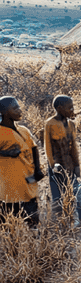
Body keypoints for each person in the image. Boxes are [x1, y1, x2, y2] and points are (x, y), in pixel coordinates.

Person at [0, 96, 44, 225]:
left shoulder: (23, 130)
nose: (20, 110)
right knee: (9, 223)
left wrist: (37, 169)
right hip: (9, 187)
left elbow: (34, 148)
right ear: (4, 112)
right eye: (15, 108)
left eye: (19, 107)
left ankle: (34, 241)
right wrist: (6, 153)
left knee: (33, 220)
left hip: (27, 181)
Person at [44, 95, 81, 219]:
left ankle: (71, 217)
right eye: (69, 108)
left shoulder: (71, 124)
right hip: (56, 164)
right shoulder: (50, 123)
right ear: (59, 108)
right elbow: (48, 147)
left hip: (69, 163)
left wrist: (77, 165)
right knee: (57, 193)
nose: (72, 110)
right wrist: (52, 164)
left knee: (72, 190)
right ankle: (59, 220)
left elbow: (74, 147)